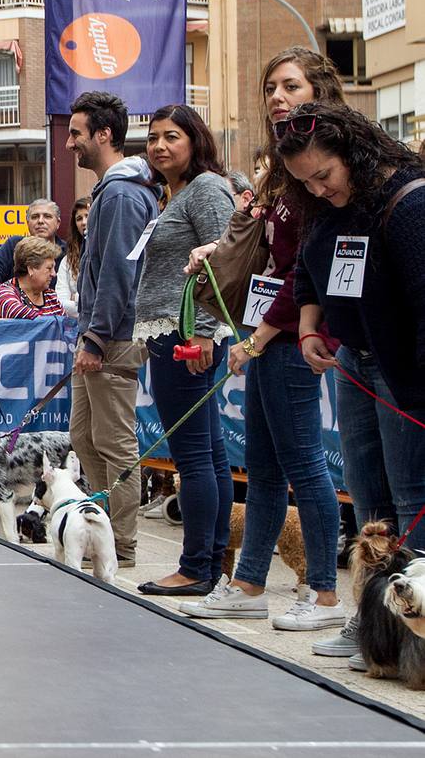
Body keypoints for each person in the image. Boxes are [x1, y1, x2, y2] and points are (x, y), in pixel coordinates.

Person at [178, 47, 347, 634]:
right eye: (270, 87)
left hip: (296, 337)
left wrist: (262, 337)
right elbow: (271, 260)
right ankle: (249, 584)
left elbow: (305, 269)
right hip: (267, 334)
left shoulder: (319, 170)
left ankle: (325, 594)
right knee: (263, 467)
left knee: (305, 466)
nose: (277, 97)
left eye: (290, 86)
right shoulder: (279, 169)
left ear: (318, 91)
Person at [281, 102, 425, 544]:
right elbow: (307, 268)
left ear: (353, 153)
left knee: (410, 500)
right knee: (367, 503)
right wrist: (309, 327)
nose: (318, 189)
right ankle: (372, 608)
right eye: (305, 182)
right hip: (352, 362)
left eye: (323, 175)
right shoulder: (323, 206)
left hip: (403, 372)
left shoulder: (409, 200)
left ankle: (410, 610)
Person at [130, 104, 235, 598]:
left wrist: (206, 333)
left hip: (186, 332)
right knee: (209, 455)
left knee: (194, 457)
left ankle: (195, 567)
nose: (159, 146)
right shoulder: (171, 195)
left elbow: (226, 262)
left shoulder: (208, 188)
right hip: (170, 330)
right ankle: (211, 564)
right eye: (152, 138)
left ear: (195, 140)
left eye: (172, 136)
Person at [67, 91, 158, 569]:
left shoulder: (121, 193)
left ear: (104, 134)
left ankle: (121, 545)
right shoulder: (112, 189)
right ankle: (101, 531)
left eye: (76, 133)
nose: (68, 144)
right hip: (99, 335)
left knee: (116, 443)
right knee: (83, 437)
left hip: (114, 339)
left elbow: (120, 273)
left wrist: (97, 337)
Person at [0, 199, 65, 284]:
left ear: (58, 223)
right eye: (35, 217)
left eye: (47, 216)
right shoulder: (14, 246)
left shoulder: (68, 252)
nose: (40, 221)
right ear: (28, 223)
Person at [0, 236, 64, 318]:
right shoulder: (5, 294)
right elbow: (35, 324)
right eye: (49, 268)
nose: (54, 274)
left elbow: (67, 327)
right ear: (31, 268)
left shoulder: (51, 297)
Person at [55, 196, 90, 317]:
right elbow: (61, 302)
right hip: (76, 328)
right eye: (79, 219)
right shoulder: (68, 260)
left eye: (87, 215)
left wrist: (75, 297)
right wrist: (84, 302)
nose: (84, 222)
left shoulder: (107, 254)